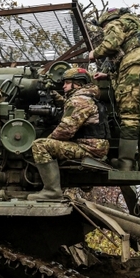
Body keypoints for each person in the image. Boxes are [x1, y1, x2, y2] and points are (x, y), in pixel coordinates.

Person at [89, 8, 140, 171]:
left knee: (129, 115)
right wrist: (109, 76)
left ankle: (125, 163)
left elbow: (111, 44)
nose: (105, 29)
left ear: (106, 21)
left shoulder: (117, 23)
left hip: (137, 61)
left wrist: (94, 53)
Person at [27, 67, 109, 201]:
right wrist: (55, 96)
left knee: (40, 145)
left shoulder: (79, 101)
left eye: (67, 82)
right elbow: (70, 107)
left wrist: (49, 141)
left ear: (78, 83)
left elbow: (66, 130)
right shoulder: (87, 97)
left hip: (88, 149)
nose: (63, 86)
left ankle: (52, 191)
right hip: (94, 146)